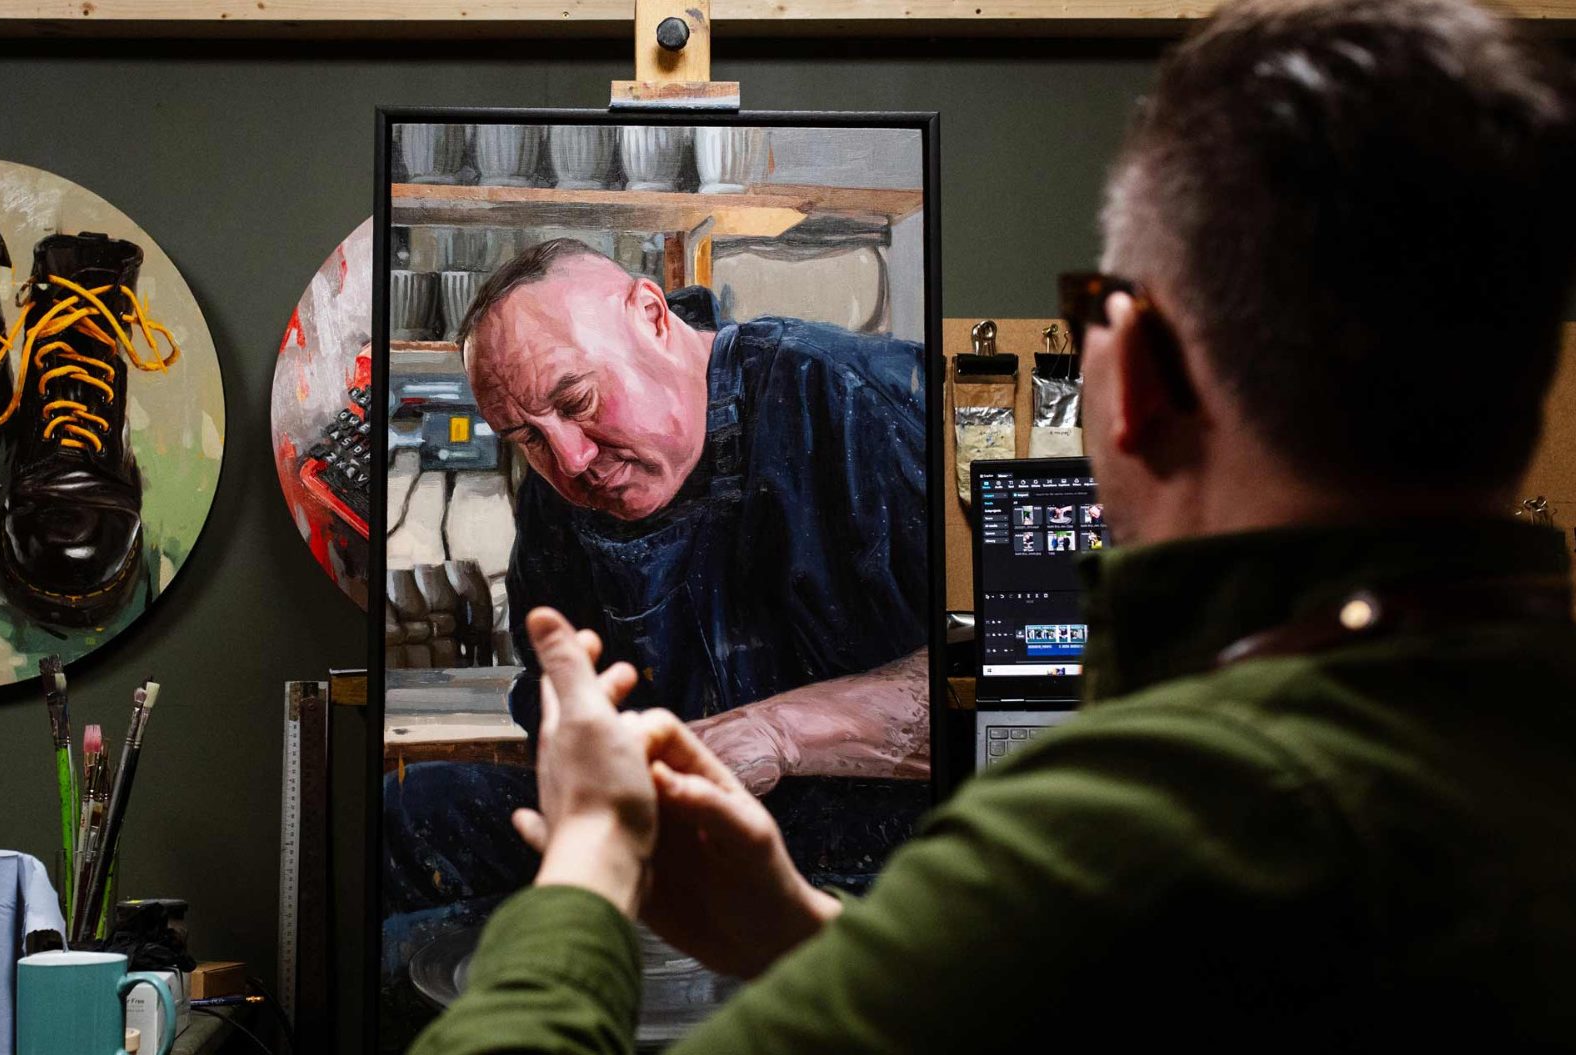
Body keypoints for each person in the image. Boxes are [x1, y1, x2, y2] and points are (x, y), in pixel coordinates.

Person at [409, 0, 1576, 1050]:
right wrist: (804, 940)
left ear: (1134, 374)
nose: (563, 459)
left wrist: (586, 872)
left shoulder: (1145, 826)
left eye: (1096, 313)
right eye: (526, 437)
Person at [384, 244, 933, 927]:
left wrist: (777, 734)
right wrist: (580, 760)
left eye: (577, 400)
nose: (571, 459)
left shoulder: (860, 403)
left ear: (651, 315)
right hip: (665, 839)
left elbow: (1018, 688)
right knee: (408, 814)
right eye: (525, 436)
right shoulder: (560, 494)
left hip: (876, 851)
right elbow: (553, 687)